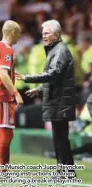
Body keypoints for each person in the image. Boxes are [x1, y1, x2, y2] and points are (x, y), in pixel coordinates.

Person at [16, 20, 76, 177]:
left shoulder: (60, 51)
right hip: (57, 100)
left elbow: (53, 74)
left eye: (47, 33)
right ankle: (64, 170)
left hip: (60, 101)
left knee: (61, 138)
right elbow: (56, 79)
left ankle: (66, 172)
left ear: (56, 34)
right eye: (43, 33)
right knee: (59, 137)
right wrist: (40, 90)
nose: (44, 36)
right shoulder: (55, 50)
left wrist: (28, 78)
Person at [0, 20, 23, 167]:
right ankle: (2, 169)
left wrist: (12, 73)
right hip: (3, 96)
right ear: (13, 32)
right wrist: (16, 93)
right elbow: (2, 74)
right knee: (6, 132)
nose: (18, 37)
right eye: (18, 34)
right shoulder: (7, 50)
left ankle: (3, 166)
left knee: (4, 131)